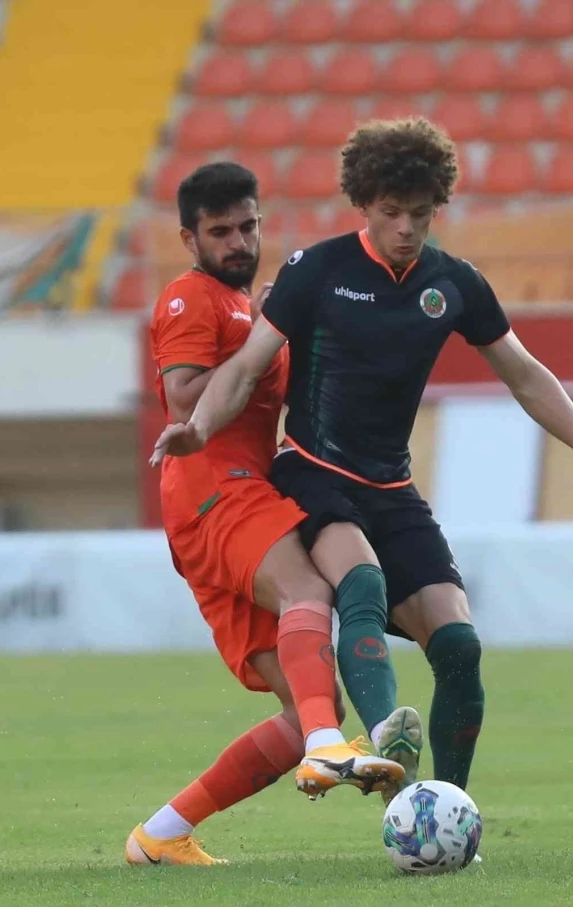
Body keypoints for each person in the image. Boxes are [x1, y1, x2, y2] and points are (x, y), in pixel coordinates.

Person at [152, 118, 573, 801]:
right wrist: (198, 427)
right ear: (363, 203)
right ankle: (386, 743)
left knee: (459, 647)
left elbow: (525, 375)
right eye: (391, 212)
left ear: (436, 208)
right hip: (313, 473)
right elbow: (244, 368)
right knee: (359, 582)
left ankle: (447, 810)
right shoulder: (317, 270)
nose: (405, 228)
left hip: (393, 488)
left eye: (419, 214)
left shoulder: (454, 283)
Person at [126, 162, 408, 868]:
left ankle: (161, 833)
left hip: (216, 507)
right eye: (220, 231)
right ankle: (327, 750)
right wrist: (264, 337)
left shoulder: (248, 307)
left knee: (308, 701)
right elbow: (185, 399)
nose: (238, 242)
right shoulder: (191, 297)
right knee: (307, 589)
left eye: (248, 226)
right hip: (216, 490)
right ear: (189, 239)